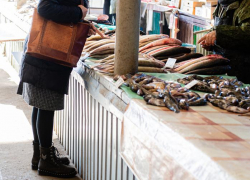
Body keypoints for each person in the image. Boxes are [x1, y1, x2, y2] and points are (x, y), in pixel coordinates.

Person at [17, 0, 96, 178]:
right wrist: (78, 12)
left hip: (48, 51)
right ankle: (46, 160)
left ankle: (40, 155)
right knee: (45, 106)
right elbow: (45, 7)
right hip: (47, 52)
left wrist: (81, 23)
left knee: (41, 105)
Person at [198, 0, 250, 83]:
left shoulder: (246, 4)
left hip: (243, 70)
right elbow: (217, 26)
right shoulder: (222, 2)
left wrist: (219, 34)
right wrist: (210, 42)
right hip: (222, 67)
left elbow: (247, 33)